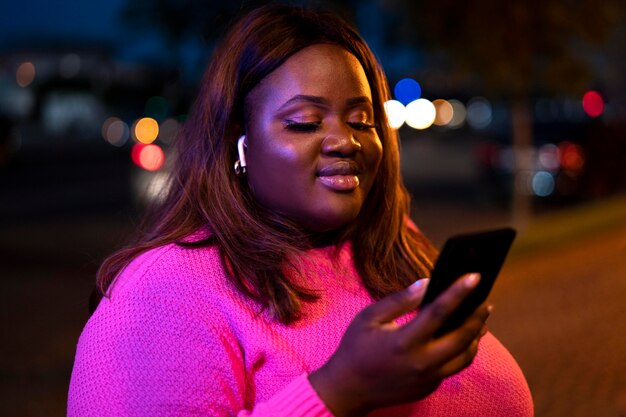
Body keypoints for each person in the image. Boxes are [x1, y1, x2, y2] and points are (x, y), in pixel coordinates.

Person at [68, 5, 533, 416]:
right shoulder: (161, 293)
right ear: (240, 142)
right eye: (306, 122)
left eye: (361, 120)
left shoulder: (399, 249)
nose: (343, 140)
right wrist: (340, 392)